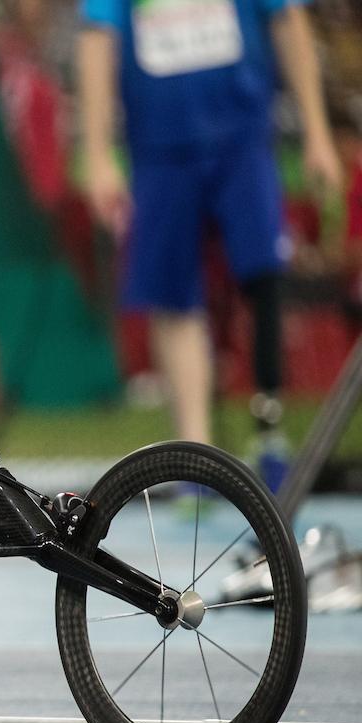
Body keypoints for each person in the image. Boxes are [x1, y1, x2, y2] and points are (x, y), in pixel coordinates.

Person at [77, 0, 341, 491]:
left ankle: (270, 433)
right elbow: (97, 38)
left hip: (243, 135)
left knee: (264, 275)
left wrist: (317, 132)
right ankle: (194, 459)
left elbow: (287, 18)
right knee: (173, 293)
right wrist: (96, 153)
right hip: (159, 147)